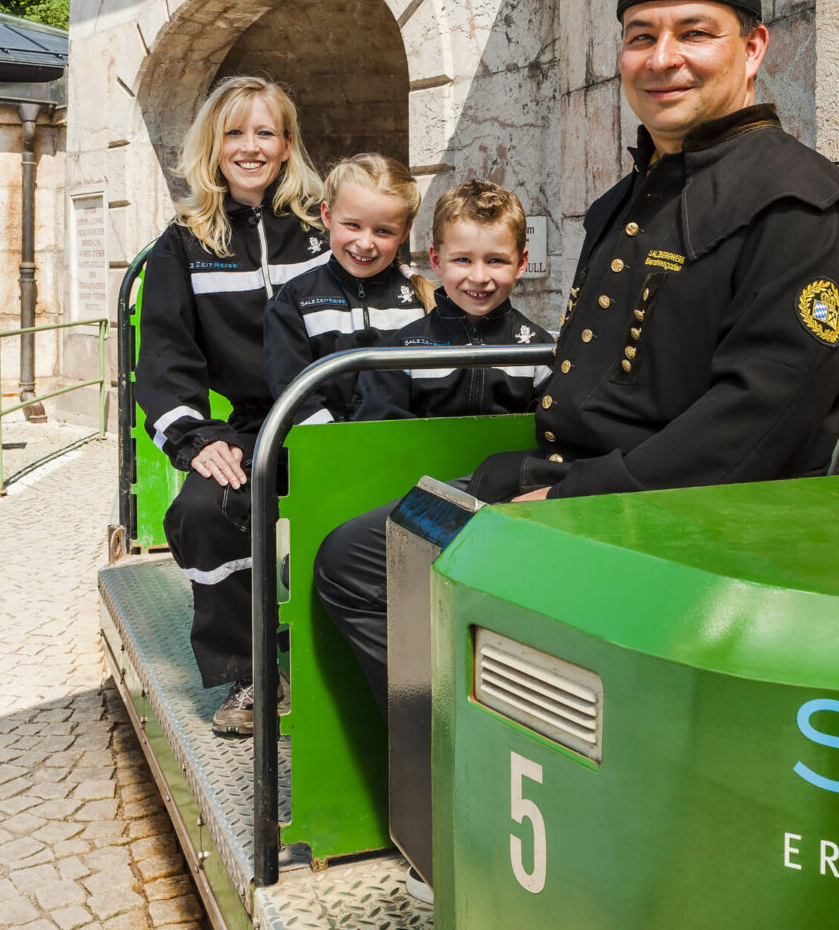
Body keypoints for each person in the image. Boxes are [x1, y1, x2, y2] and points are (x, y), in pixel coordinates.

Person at [315, 0, 839, 720]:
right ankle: (462, 778)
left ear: (753, 48)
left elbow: (752, 425)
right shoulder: (629, 200)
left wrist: (581, 499)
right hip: (580, 488)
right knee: (358, 552)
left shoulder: (798, 209)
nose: (664, 59)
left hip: (674, 528)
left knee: (364, 567)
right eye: (641, 35)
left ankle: (470, 792)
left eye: (695, 33)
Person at [132, 75, 327, 737]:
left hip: (336, 419)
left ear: (287, 143)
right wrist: (196, 438)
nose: (250, 147)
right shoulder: (184, 246)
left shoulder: (326, 227)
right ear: (212, 147)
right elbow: (163, 360)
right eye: (234, 133)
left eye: (265, 132)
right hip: (254, 425)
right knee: (200, 509)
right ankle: (253, 674)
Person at [353, 180, 554, 423]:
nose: (479, 278)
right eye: (463, 260)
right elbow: (381, 437)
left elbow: (554, 429)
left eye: (495, 261)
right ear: (436, 261)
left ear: (521, 263)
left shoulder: (540, 350)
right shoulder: (400, 351)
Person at [263, 154, 431, 426]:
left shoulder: (421, 302)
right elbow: (292, 393)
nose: (365, 243)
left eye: (383, 231)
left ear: (404, 232)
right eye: (352, 225)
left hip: (408, 452)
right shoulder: (293, 301)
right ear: (327, 215)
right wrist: (339, 448)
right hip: (325, 453)